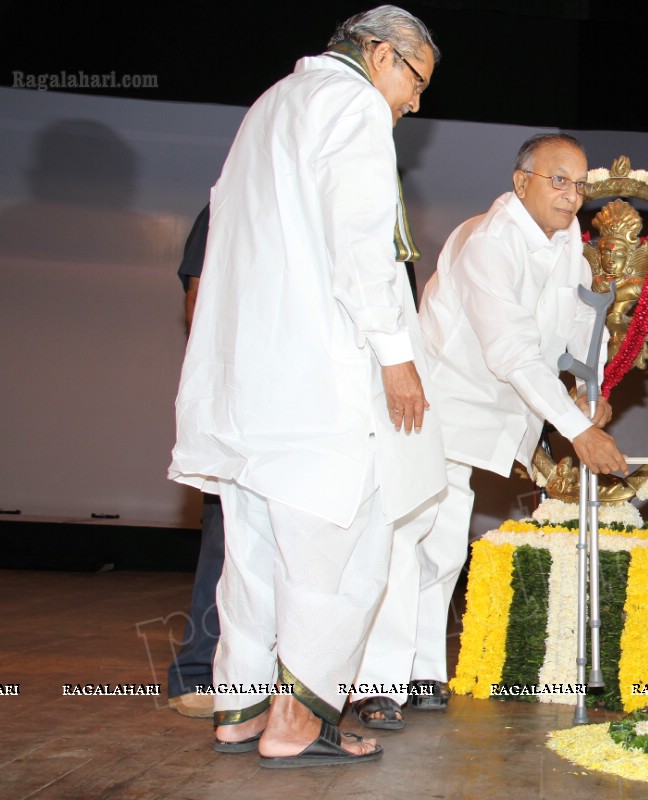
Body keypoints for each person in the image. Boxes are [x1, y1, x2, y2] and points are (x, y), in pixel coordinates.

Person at [169, 6, 442, 767]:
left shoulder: (273, 103)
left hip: (252, 381)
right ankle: (300, 723)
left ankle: (241, 710)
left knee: (253, 554)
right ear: (381, 55)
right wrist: (396, 355)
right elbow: (361, 242)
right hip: (322, 379)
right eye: (417, 81)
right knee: (339, 552)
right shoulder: (352, 105)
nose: (415, 103)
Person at [351, 133, 627, 725]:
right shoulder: (490, 241)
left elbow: (586, 324)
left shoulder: (567, 244)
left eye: (580, 184)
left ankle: (422, 671)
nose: (572, 195)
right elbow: (512, 352)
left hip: (485, 416)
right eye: (559, 180)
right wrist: (577, 427)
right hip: (433, 405)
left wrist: (591, 385)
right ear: (521, 180)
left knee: (445, 543)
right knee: (406, 538)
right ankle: (377, 681)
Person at [166, 204, 224, 719]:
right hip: (244, 396)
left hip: (328, 406)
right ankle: (198, 674)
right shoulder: (233, 198)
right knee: (228, 538)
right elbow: (198, 297)